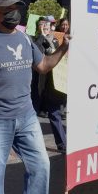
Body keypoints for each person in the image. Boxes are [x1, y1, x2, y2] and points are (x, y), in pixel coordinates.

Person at [0, 0, 70, 194]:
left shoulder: (24, 38)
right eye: (7, 10)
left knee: (41, 166)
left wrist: (64, 47)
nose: (14, 14)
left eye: (16, 9)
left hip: (27, 117)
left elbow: (43, 66)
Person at [34, 17, 67, 153]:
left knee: (55, 113)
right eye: (42, 24)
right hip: (40, 85)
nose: (45, 26)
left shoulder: (56, 39)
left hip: (56, 82)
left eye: (47, 24)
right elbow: (37, 52)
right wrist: (41, 36)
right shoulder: (33, 40)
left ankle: (63, 143)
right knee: (39, 114)